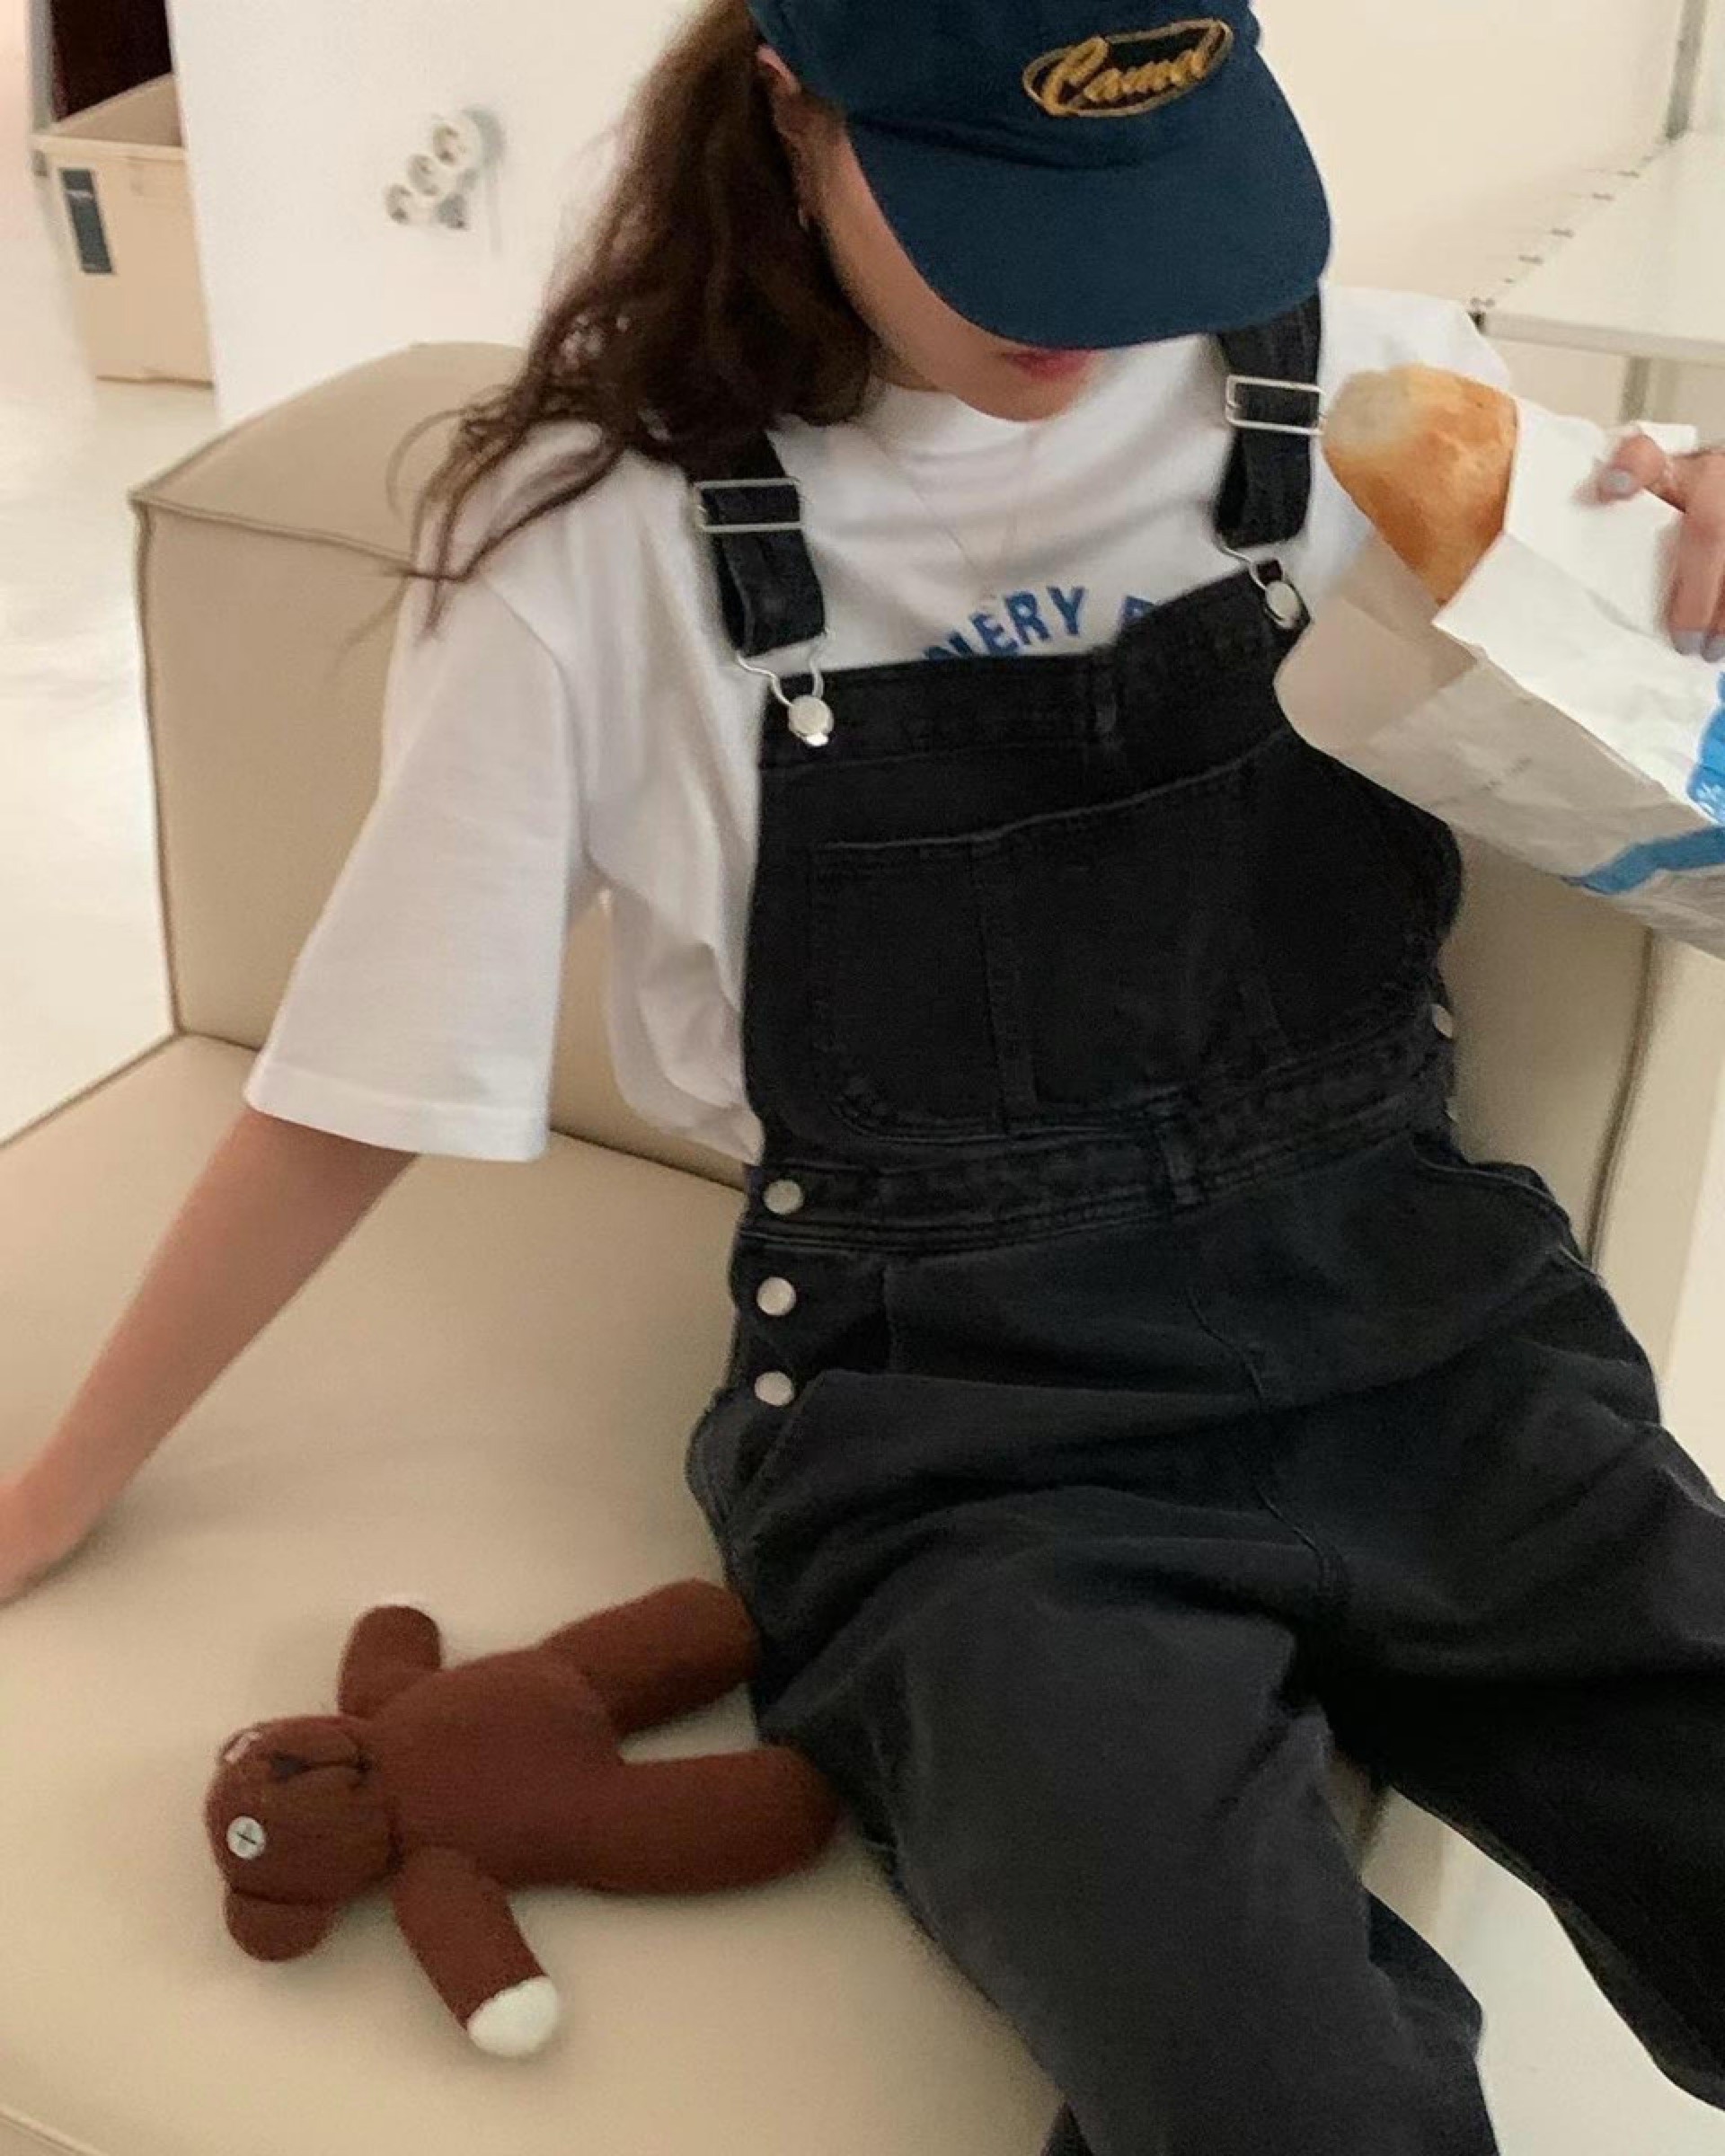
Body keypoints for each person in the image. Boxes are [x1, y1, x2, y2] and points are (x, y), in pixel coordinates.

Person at [5, 2, 1725, 2148]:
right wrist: (51, 1491)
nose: (1087, 309)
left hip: (1434, 1335)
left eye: (1140, 208)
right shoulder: (591, 546)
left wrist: (1692, 552)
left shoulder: (1386, 396)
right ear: (792, 108)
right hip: (971, 1445)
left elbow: (1666, 724)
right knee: (1271, 2095)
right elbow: (355, 1083)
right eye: (1003, 215)